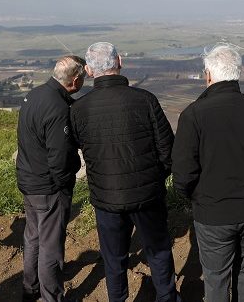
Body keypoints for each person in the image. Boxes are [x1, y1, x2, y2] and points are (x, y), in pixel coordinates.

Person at [172, 43, 244, 302]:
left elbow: (182, 173)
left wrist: (196, 196)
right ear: (238, 73)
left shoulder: (193, 115)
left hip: (213, 213)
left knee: (216, 278)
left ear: (209, 75)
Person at [70, 42, 180, 302]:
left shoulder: (78, 109)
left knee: (114, 258)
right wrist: (155, 178)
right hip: (147, 195)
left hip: (106, 199)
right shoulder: (145, 100)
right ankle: (167, 297)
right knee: (159, 250)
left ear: (88, 70)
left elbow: (79, 148)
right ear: (119, 61)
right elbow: (167, 150)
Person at [16, 55, 86, 302]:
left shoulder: (35, 95)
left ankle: (30, 287)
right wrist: (64, 183)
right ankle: (51, 297)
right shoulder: (57, 108)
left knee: (33, 236)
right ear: (75, 80)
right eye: (83, 79)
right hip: (48, 187)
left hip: (28, 179)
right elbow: (59, 157)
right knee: (51, 246)